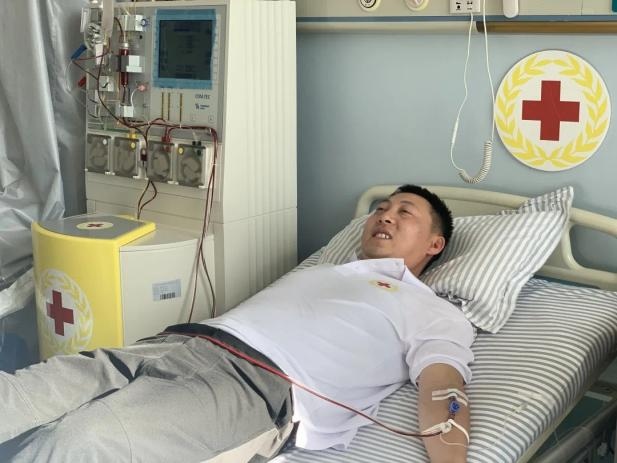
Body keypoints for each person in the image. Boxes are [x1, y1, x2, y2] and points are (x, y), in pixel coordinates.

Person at [0, 184, 474, 463]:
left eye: (404, 213)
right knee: (19, 397)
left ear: (435, 244)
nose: (384, 216)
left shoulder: (432, 310)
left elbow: (443, 389)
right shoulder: (326, 270)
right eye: (381, 208)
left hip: (256, 388)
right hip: (179, 342)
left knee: (83, 442)